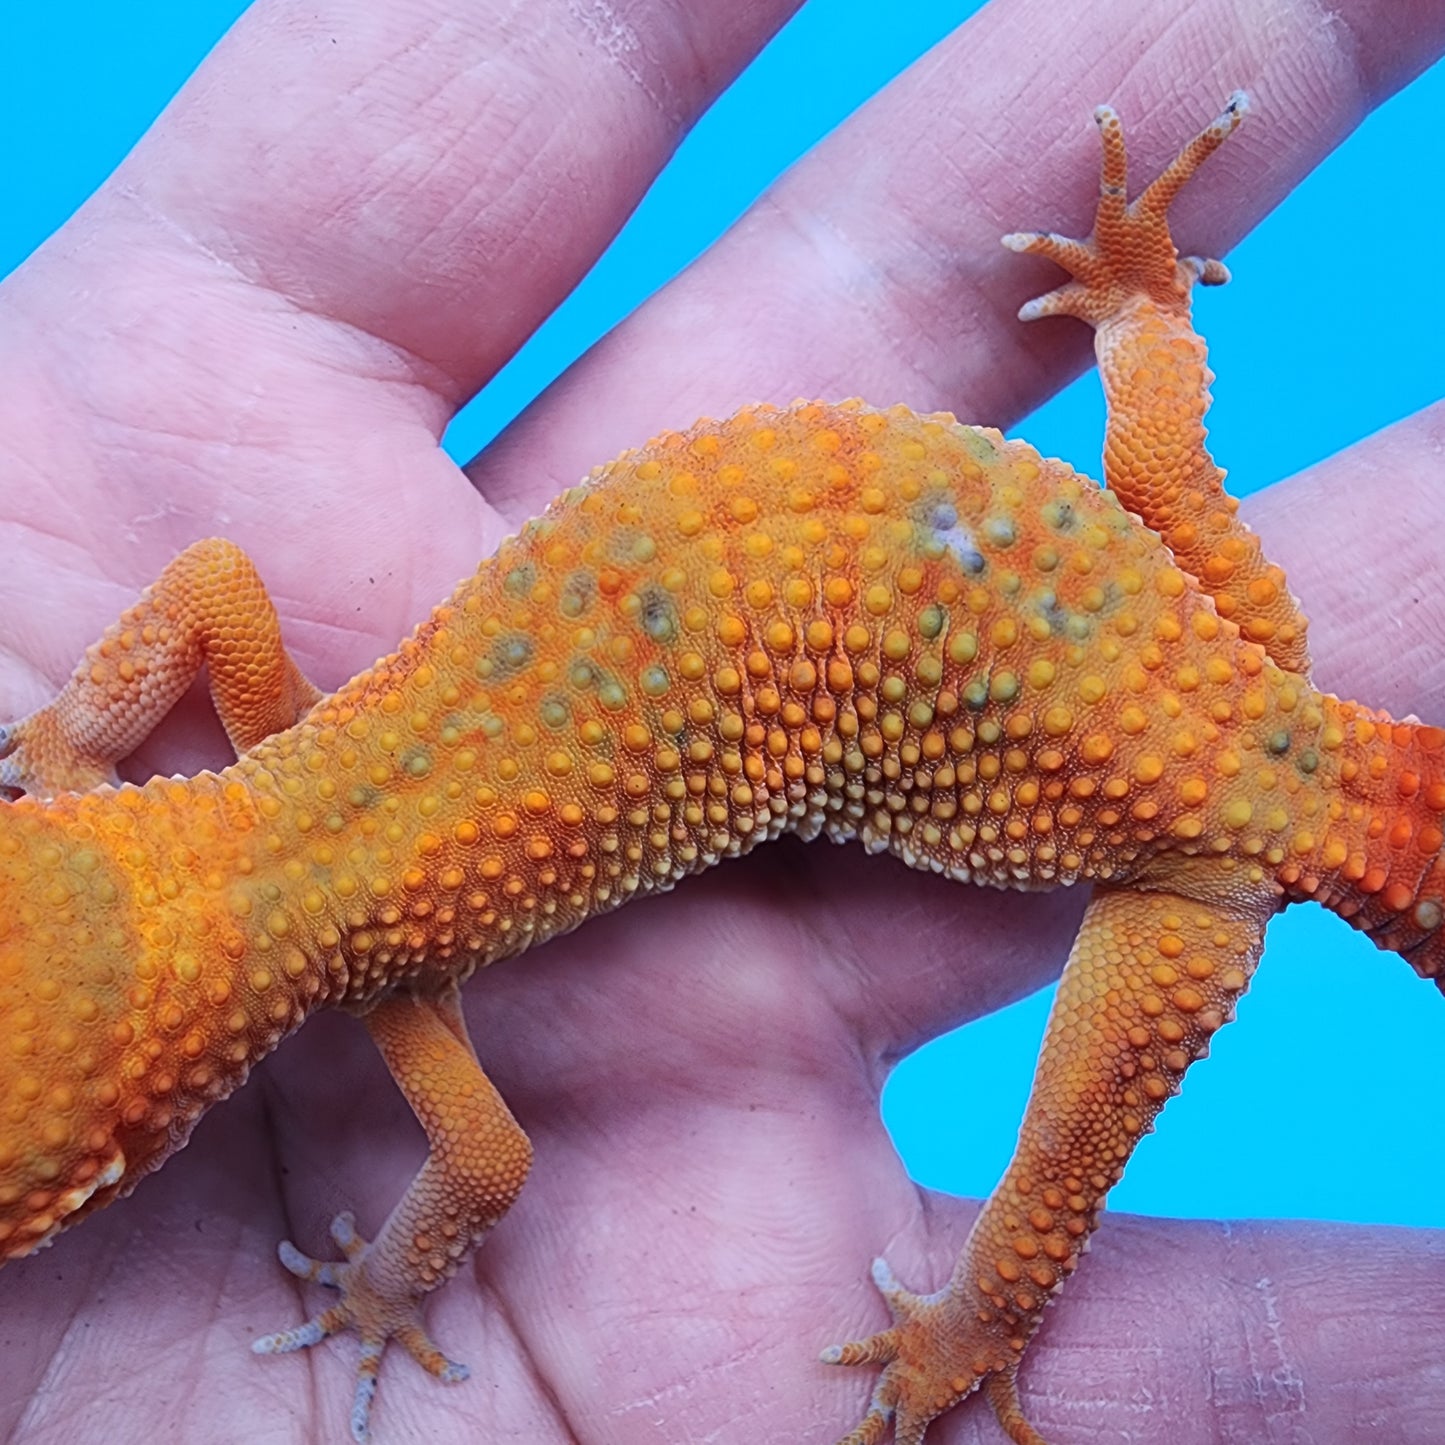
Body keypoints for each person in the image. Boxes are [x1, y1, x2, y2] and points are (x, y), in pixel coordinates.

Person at [1, 1, 1442, 1441]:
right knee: (1156, 498)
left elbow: (486, 1164)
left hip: (1183, 816)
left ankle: (987, 1324)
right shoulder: (288, 771)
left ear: (140, 1140)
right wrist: (74, 732)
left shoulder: (391, 965)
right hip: (1128, 638)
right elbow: (209, 593)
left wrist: (387, 1286)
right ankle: (1143, 313)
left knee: (1054, 1158)